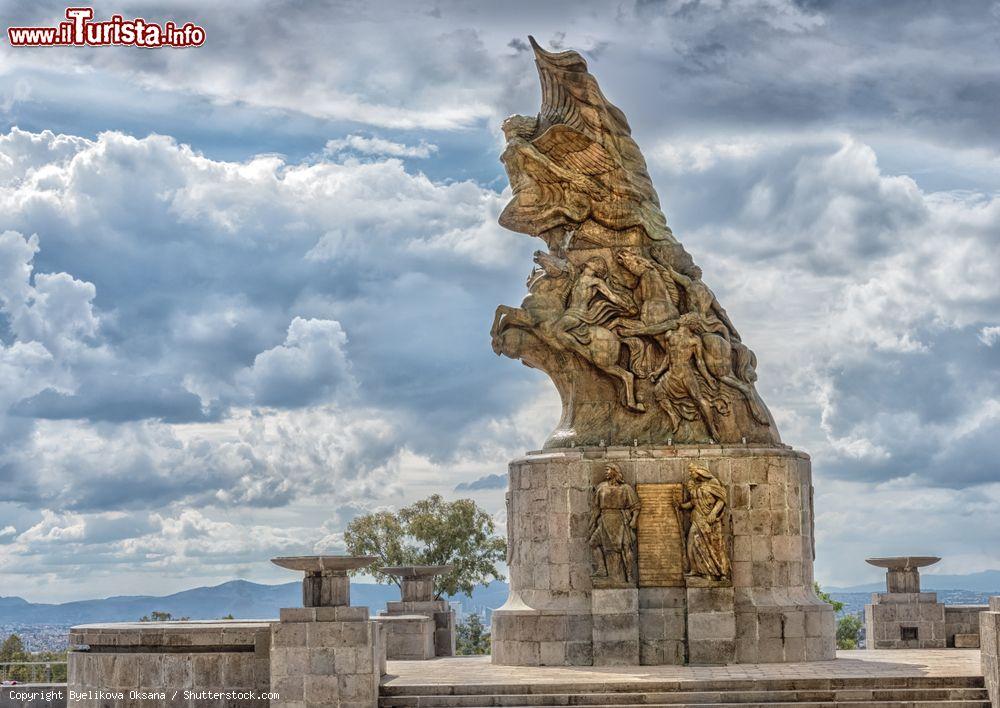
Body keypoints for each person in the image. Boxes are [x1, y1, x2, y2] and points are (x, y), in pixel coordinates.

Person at [589, 464, 641, 585]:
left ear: (615, 471)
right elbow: (596, 508)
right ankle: (602, 568)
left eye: (607, 469)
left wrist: (634, 520)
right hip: (604, 519)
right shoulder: (601, 487)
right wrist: (592, 523)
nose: (605, 472)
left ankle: (629, 574)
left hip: (619, 519)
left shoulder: (625, 488)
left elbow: (636, 506)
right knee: (593, 543)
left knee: (626, 547)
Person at [677, 464, 730, 581]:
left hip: (710, 521)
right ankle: (696, 569)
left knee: (714, 546)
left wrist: (713, 513)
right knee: (691, 543)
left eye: (691, 471)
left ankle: (720, 572)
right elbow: (693, 503)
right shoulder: (695, 486)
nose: (690, 474)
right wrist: (681, 506)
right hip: (697, 518)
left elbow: (721, 500)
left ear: (700, 471)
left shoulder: (713, 482)